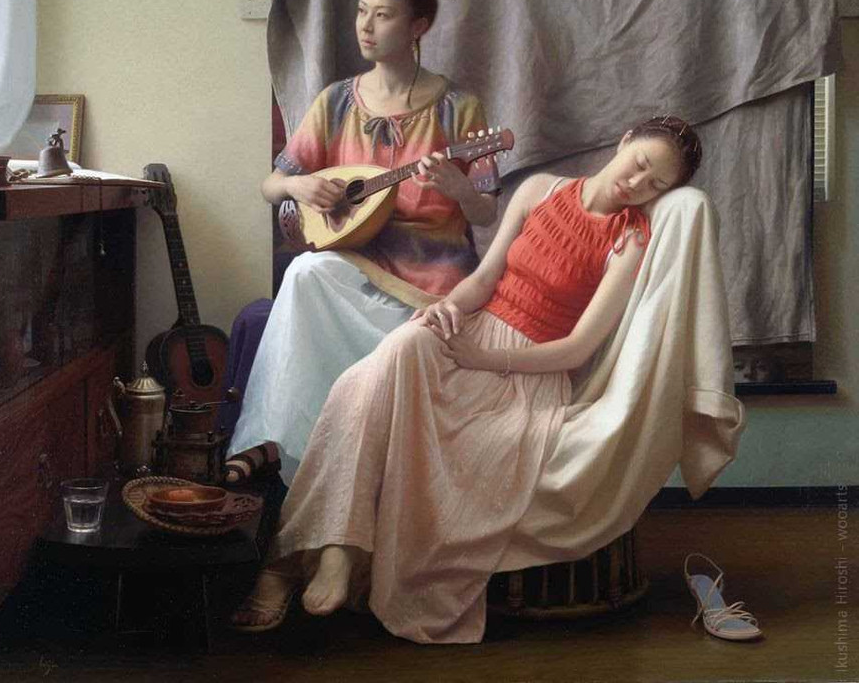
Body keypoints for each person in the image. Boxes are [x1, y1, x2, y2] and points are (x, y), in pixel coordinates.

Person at [231, 115, 704, 642]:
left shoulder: (629, 242)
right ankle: (338, 546)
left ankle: (289, 562)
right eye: (639, 164)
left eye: (656, 184)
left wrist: (485, 359)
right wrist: (447, 309)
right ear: (624, 141)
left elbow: (578, 348)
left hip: (524, 369)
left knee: (379, 382)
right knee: (382, 364)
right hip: (470, 328)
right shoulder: (540, 191)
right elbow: (482, 280)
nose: (636, 183)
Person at [225, 0, 501, 484]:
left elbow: (486, 211)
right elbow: (270, 186)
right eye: (361, 11)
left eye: (383, 15)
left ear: (418, 26)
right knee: (305, 272)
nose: (366, 26)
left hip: (431, 280)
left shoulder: (458, 108)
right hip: (355, 264)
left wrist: (459, 188)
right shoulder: (336, 103)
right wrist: (299, 184)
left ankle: (355, 464)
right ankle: (287, 449)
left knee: (314, 284)